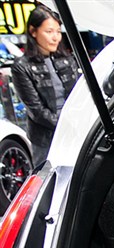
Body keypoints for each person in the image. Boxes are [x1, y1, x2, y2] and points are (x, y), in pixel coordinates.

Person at [12, 5, 79, 165]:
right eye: (49, 31)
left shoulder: (67, 60)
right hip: (46, 139)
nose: (55, 37)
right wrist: (64, 126)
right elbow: (36, 110)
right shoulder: (22, 66)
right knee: (49, 177)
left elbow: (78, 97)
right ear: (33, 31)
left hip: (74, 131)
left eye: (58, 31)